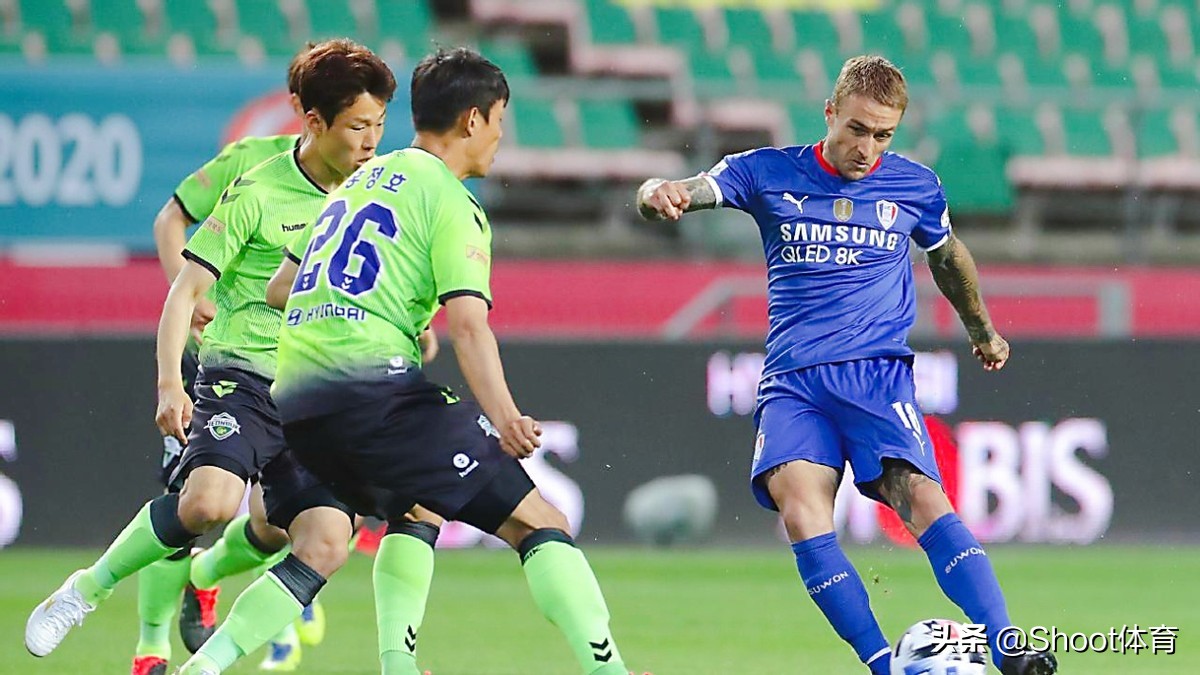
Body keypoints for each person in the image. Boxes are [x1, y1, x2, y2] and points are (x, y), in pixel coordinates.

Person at [187, 47, 634, 675]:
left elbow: (279, 289)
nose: (501, 139)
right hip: (373, 394)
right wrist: (504, 417)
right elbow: (470, 327)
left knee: (411, 507)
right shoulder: (451, 201)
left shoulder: (359, 179)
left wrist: (373, 303)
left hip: (296, 400)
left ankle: (219, 667)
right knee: (541, 523)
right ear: (473, 120)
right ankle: (608, 670)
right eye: (501, 121)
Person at [26, 39, 444, 675]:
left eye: (380, 126)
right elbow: (185, 291)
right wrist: (171, 384)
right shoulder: (258, 188)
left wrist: (413, 325)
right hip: (241, 376)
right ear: (313, 121)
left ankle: (206, 665)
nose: (371, 140)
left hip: (320, 395)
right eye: (358, 125)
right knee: (209, 505)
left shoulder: (376, 195)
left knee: (325, 543)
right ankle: (88, 589)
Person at [635, 55, 1057, 675]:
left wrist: (983, 330)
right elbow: (683, 190)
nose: (867, 148)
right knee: (802, 511)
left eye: (883, 134)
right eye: (857, 129)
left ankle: (1008, 650)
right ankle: (885, 665)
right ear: (830, 113)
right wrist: (657, 194)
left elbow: (948, 257)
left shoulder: (914, 186)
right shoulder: (767, 171)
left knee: (922, 498)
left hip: (875, 375)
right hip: (794, 384)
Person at [138, 43, 309, 675]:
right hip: (220, 355)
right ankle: (150, 647)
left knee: (277, 525)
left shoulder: (360, 181)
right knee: (190, 502)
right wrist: (187, 295)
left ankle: (208, 576)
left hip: (294, 372)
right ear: (299, 107)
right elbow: (171, 219)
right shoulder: (251, 162)